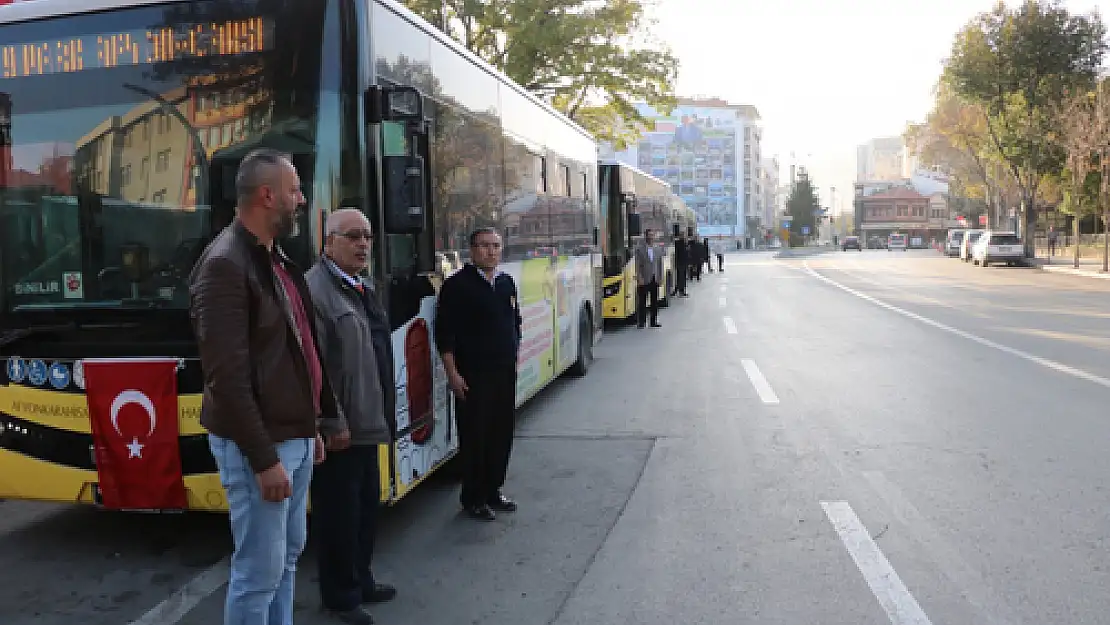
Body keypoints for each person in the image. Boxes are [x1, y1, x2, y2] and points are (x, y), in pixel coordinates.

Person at [189, 148, 349, 625]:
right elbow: (227, 378)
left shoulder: (271, 256)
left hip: (292, 436)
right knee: (259, 572)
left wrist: (312, 424)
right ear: (267, 195)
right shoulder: (225, 264)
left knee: (286, 559)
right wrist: (264, 457)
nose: (301, 200)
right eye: (295, 190)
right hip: (261, 446)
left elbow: (300, 349)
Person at [305, 208, 398, 625]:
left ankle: (361, 580)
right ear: (329, 242)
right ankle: (339, 597)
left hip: (367, 421)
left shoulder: (361, 285)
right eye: (353, 236)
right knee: (338, 516)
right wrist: (331, 421)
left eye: (367, 236)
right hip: (341, 429)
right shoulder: (316, 290)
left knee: (364, 510)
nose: (363, 244)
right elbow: (315, 366)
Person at [434, 227, 522, 521]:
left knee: (501, 433)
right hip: (473, 376)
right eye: (484, 246)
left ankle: (493, 490)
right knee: (476, 436)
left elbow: (515, 323)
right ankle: (473, 497)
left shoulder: (506, 283)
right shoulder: (457, 286)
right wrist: (453, 374)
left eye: (496, 246)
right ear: (471, 250)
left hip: (504, 372)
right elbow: (445, 335)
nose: (491, 251)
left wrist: (514, 353)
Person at [634, 228, 663, 328]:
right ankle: (641, 322)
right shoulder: (640, 249)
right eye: (649, 235)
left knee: (654, 301)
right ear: (645, 236)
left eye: (652, 235)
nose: (651, 237)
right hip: (644, 279)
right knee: (642, 301)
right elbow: (637, 265)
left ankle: (653, 321)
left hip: (655, 278)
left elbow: (660, 264)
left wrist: (660, 277)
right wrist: (639, 277)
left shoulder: (658, 249)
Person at [672, 233, 689, 298]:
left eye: (684, 236)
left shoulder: (685, 244)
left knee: (683, 277)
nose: (684, 237)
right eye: (683, 236)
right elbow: (677, 254)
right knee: (680, 278)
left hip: (684, 263)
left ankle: (681, 291)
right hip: (680, 263)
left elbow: (687, 253)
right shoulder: (678, 243)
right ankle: (679, 291)